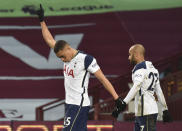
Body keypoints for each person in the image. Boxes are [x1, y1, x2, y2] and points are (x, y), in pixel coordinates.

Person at [36, 5, 122, 131]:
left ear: (68, 48)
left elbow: (103, 79)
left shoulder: (86, 59)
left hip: (78, 104)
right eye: (60, 58)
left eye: (63, 57)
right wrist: (42, 20)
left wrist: (116, 98)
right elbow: (49, 40)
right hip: (70, 103)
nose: (63, 60)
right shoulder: (64, 53)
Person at [112, 44, 172, 131]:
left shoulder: (139, 69)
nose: (129, 57)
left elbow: (136, 87)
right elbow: (159, 91)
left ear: (136, 54)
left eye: (130, 54)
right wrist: (165, 109)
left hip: (146, 113)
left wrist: (123, 103)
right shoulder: (154, 69)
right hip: (145, 112)